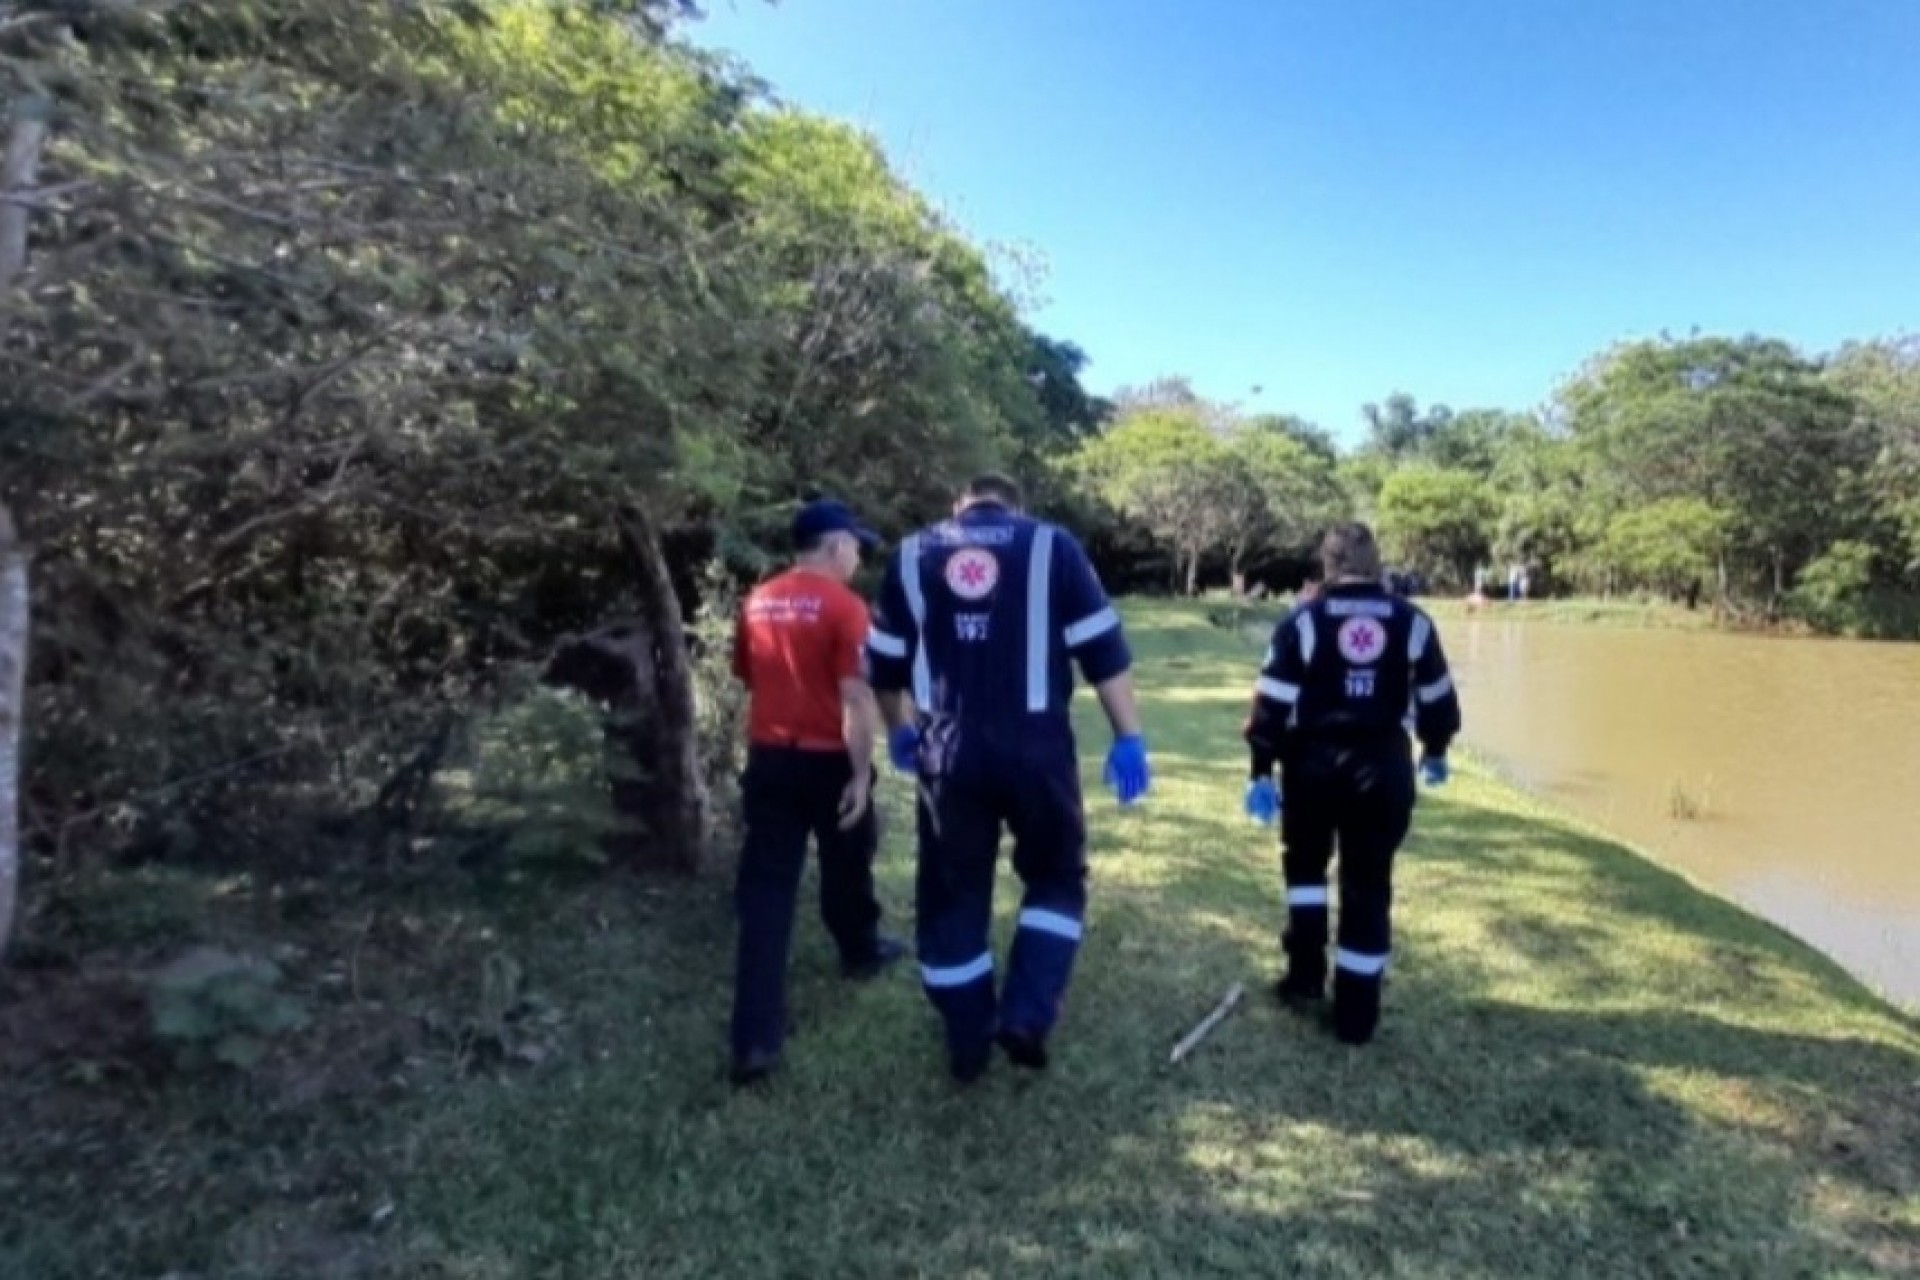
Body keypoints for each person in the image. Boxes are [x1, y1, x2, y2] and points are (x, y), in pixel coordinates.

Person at [866, 473, 1149, 1083]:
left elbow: (883, 665)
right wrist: (1128, 736)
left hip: (948, 747)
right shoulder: (1052, 545)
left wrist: (898, 728)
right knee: (1055, 875)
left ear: (958, 504)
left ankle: (968, 1039)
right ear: (1014, 505)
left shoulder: (915, 552)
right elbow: (1105, 652)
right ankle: (1026, 1012)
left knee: (952, 891)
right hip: (1037, 747)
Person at [1241, 522, 1462, 1045]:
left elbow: (1269, 703)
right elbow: (1438, 697)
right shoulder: (1413, 622)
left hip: (1312, 768)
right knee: (1368, 883)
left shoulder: (1304, 621)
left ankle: (1304, 980)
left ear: (1328, 564)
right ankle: (1356, 1017)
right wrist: (1435, 749)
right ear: (1375, 562)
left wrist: (1260, 771)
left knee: (1306, 871)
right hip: (1382, 770)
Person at [726, 498, 907, 1086]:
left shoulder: (756, 602)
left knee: (767, 890)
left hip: (770, 758)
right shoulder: (847, 607)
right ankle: (859, 950)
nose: (858, 557)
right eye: (855, 546)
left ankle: (755, 1037)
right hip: (828, 760)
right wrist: (860, 775)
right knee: (848, 860)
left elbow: (750, 676)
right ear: (833, 547)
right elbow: (856, 698)